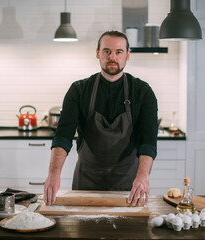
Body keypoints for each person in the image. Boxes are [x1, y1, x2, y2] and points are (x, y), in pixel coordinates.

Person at [44, 30, 158, 207]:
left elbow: (148, 141)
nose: (112, 56)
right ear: (97, 53)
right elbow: (63, 135)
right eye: (107, 51)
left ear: (127, 55)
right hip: (86, 180)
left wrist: (143, 177)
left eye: (119, 52)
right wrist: (53, 173)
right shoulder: (79, 90)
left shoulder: (143, 92)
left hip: (128, 183)